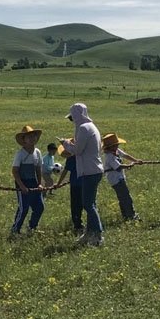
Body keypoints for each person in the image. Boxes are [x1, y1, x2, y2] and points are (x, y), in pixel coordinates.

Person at [60, 103, 104, 246]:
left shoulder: (84, 129)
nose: (72, 120)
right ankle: (89, 233)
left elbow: (77, 150)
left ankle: (97, 235)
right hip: (93, 169)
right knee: (91, 202)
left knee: (88, 204)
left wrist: (65, 143)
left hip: (90, 170)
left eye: (72, 117)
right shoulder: (91, 126)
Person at [11, 125, 45, 235]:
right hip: (22, 182)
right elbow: (15, 171)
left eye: (33, 136)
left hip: (33, 182)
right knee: (23, 208)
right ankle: (15, 230)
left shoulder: (37, 152)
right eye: (28, 136)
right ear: (23, 140)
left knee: (39, 207)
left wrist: (40, 183)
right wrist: (21, 185)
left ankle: (32, 227)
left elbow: (38, 169)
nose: (32, 138)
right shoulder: (20, 154)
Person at [102, 133, 142, 221]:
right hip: (115, 180)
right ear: (110, 146)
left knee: (122, 197)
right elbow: (118, 167)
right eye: (116, 145)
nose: (117, 146)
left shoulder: (116, 151)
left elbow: (125, 155)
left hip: (119, 178)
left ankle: (126, 215)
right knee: (126, 197)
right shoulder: (109, 156)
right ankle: (131, 215)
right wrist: (128, 166)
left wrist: (135, 160)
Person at [54, 145, 84, 234]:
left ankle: (77, 225)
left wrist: (58, 183)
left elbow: (65, 172)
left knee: (75, 205)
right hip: (84, 183)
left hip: (75, 185)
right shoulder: (82, 156)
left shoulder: (71, 159)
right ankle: (82, 223)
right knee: (84, 204)